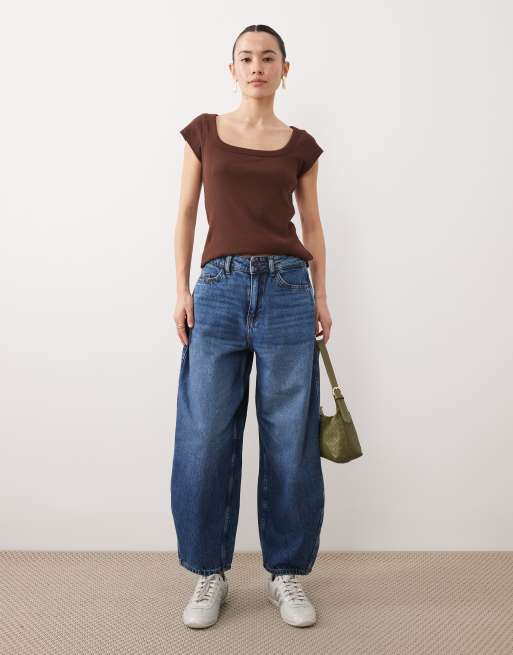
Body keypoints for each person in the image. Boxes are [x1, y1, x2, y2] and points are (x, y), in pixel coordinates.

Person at [171, 24, 332, 629]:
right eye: (246, 57)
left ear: (285, 69)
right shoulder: (204, 132)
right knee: (206, 433)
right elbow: (186, 212)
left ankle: (286, 572)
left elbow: (312, 225)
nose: (257, 66)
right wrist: (181, 289)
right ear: (232, 68)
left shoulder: (300, 145)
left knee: (290, 436)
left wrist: (322, 297)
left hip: (289, 290)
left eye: (268, 58)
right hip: (218, 291)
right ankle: (208, 572)